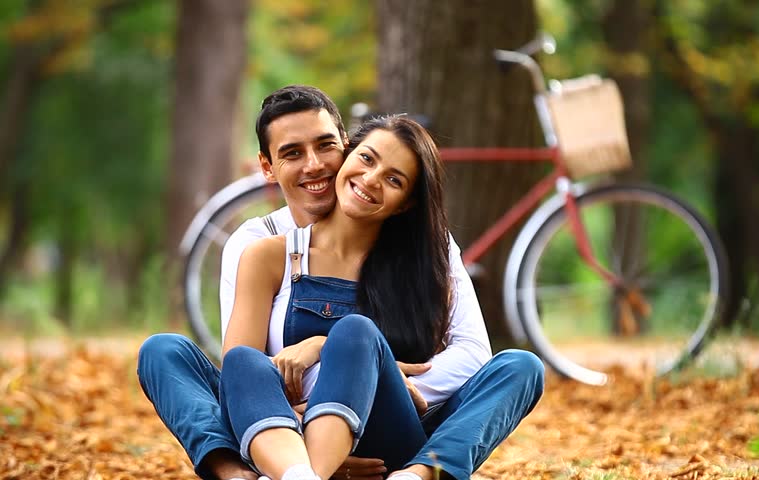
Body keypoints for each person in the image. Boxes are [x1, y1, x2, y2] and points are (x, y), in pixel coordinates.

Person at [137, 86, 544, 480]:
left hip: (393, 427)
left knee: (518, 366)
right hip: (283, 424)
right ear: (267, 166)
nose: (314, 165)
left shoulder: (425, 248)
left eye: (325, 145)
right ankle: (244, 475)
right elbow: (244, 371)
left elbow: (473, 351)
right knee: (168, 352)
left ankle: (419, 474)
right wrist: (314, 443)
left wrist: (370, 368)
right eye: (292, 153)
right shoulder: (259, 246)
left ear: (344, 145)